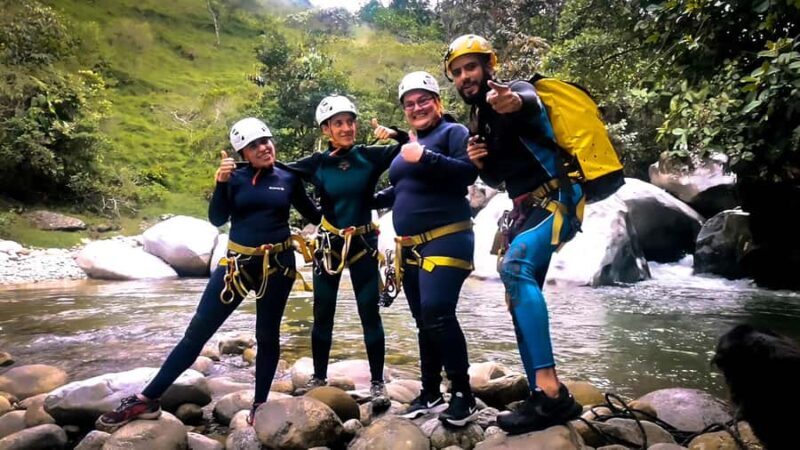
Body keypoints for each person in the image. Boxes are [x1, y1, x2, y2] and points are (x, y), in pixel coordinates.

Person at [96, 118, 320, 431]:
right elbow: (216, 218)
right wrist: (220, 183)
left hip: (278, 266)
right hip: (236, 266)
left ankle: (260, 404)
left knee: (267, 336)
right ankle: (148, 398)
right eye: (254, 145)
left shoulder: (288, 177)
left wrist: (344, 195)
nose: (264, 147)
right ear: (242, 151)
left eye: (266, 140)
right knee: (197, 332)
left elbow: (315, 215)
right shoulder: (234, 177)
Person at [444, 34, 585, 433]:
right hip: (526, 206)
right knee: (518, 290)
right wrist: (480, 162)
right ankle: (545, 397)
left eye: (471, 66)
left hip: (557, 198)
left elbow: (526, 101)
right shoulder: (478, 121)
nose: (465, 76)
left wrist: (515, 102)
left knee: (516, 268)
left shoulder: (514, 91)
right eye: (457, 72)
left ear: (489, 65)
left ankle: (549, 391)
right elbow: (498, 176)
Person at [373, 71, 480, 426]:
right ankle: (430, 391)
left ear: (438, 102)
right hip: (411, 247)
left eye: (423, 100)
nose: (417, 107)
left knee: (437, 312)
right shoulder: (409, 148)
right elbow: (402, 191)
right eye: (409, 104)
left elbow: (467, 173)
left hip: (448, 235)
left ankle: (463, 393)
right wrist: (368, 199)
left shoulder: (453, 133)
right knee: (424, 321)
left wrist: (425, 157)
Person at [284, 95, 406, 404]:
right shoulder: (318, 162)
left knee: (369, 312)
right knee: (323, 312)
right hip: (330, 243)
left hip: (363, 243)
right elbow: (281, 172)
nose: (347, 128)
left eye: (350, 121)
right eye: (338, 123)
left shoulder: (369, 156)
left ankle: (378, 383)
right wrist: (314, 216)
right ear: (326, 129)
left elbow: (409, 149)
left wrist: (394, 132)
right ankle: (319, 378)